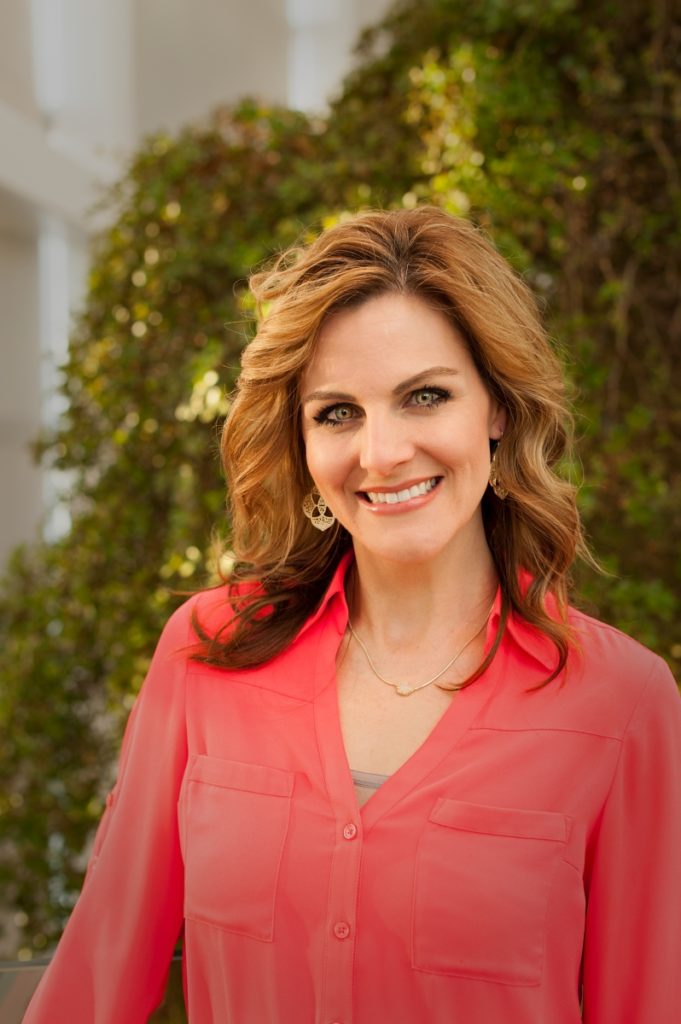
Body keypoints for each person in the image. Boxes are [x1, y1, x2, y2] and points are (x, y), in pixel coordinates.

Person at [24, 207, 681, 1024]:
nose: (381, 454)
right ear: (301, 443)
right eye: (337, 412)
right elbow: (96, 980)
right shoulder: (206, 653)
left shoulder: (621, 703)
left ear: (498, 411)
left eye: (425, 397)